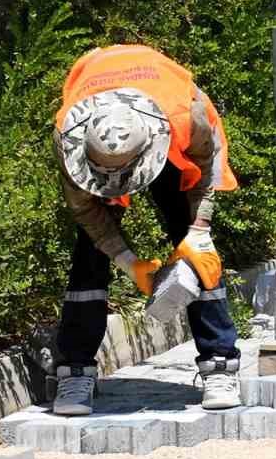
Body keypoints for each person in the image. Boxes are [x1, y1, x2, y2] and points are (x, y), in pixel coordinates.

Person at [52, 44, 242, 414]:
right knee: (88, 255)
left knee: (196, 250)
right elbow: (88, 213)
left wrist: (199, 231)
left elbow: (207, 169)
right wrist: (127, 262)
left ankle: (220, 365)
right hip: (105, 140)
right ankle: (75, 371)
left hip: (169, 139)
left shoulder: (188, 116)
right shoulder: (69, 135)